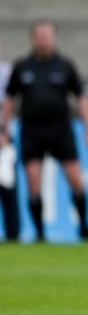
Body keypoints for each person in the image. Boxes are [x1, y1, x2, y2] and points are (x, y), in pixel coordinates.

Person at [0, 19, 88, 242]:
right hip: (31, 130)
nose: (43, 39)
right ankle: (40, 233)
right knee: (34, 182)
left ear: (54, 37)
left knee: (75, 179)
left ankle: (84, 227)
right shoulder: (22, 67)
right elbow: (9, 99)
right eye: (39, 35)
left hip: (60, 129)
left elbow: (81, 97)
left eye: (47, 35)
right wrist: (3, 128)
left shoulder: (65, 65)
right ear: (33, 38)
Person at [0, 39, 19, 243]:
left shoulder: (7, 72)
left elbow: (9, 101)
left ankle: (13, 233)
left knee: (7, 185)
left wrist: (3, 130)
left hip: (4, 136)